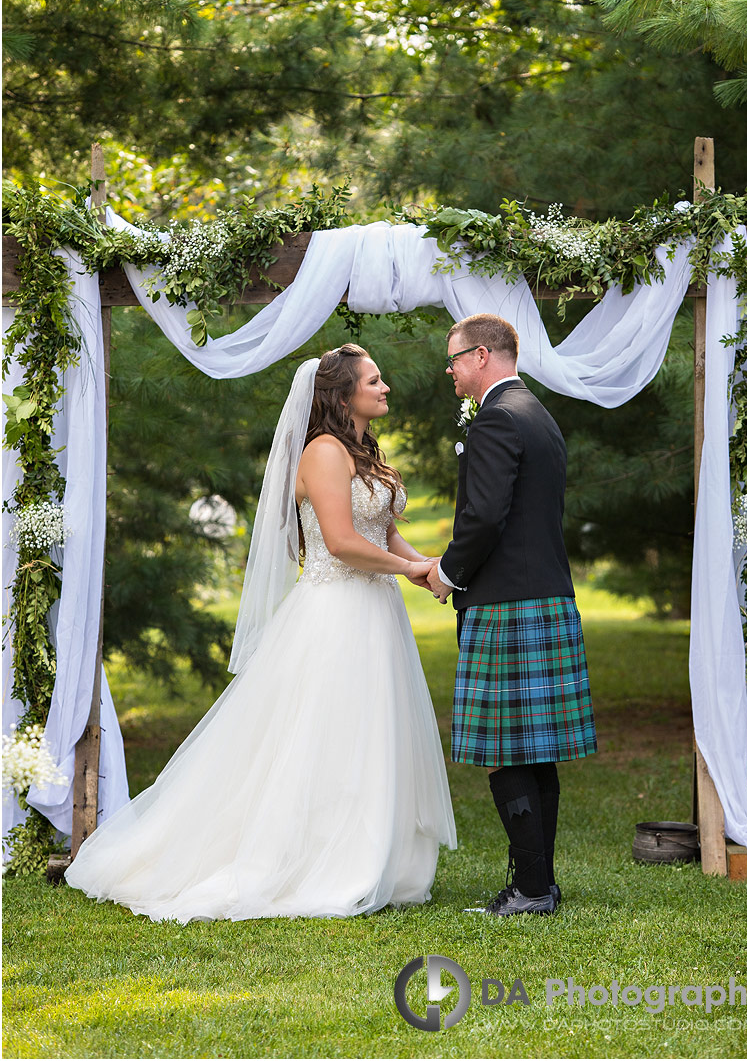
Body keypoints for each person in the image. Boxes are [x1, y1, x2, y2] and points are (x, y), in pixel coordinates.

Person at [66, 345, 456, 922]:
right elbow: (344, 542)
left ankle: (380, 856)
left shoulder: (362, 451)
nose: (386, 388)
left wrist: (426, 568)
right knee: (325, 732)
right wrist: (410, 570)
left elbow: (382, 530)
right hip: (334, 612)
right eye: (374, 381)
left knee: (372, 728)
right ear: (342, 394)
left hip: (375, 610)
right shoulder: (323, 453)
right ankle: (319, 857)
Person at [426, 314, 596, 917]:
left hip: (508, 604)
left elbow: (486, 515)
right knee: (534, 749)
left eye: (453, 360)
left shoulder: (497, 417)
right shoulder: (538, 414)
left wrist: (447, 574)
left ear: (480, 356)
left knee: (506, 748)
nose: (449, 371)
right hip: (543, 595)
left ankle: (530, 890)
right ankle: (539, 886)